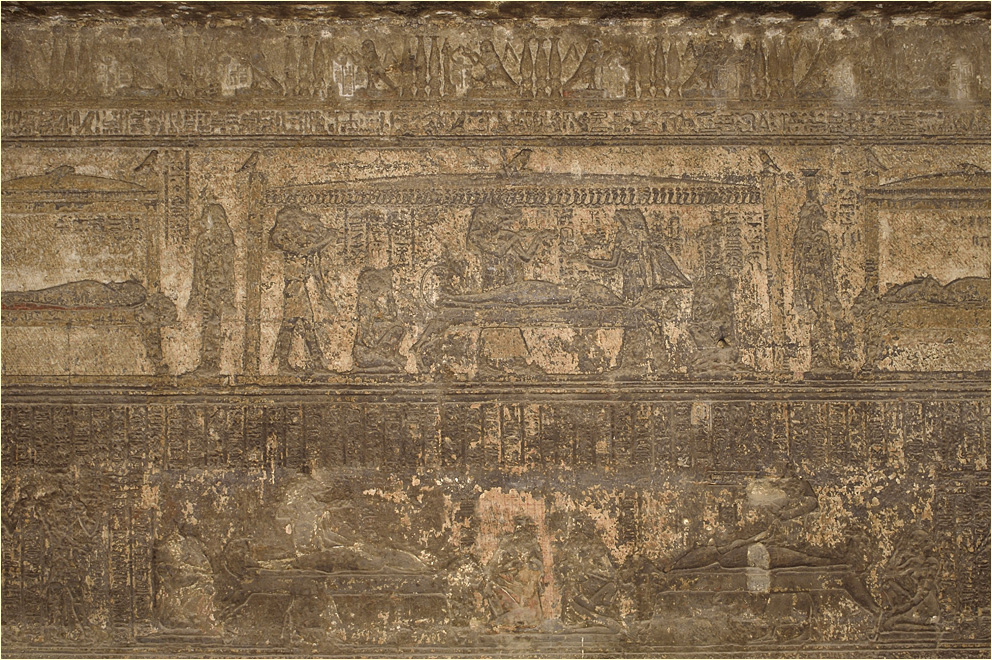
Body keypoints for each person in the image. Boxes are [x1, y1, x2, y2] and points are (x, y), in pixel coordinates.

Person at [269, 206, 337, 374]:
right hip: (294, 289)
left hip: (299, 289)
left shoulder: (302, 243)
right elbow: (303, 251)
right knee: (298, 323)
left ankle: (287, 361)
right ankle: (302, 362)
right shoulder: (287, 242)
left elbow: (315, 271)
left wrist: (323, 295)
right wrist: (326, 240)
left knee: (297, 323)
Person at [187, 204, 236, 375]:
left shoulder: (213, 240)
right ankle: (208, 361)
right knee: (209, 323)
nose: (204, 221)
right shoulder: (208, 239)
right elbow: (200, 270)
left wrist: (228, 295)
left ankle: (210, 362)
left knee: (211, 324)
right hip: (210, 289)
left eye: (206, 217)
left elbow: (227, 271)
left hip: (214, 290)